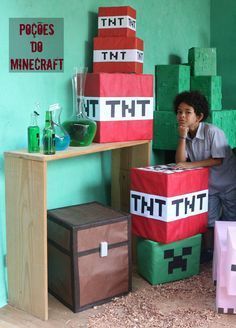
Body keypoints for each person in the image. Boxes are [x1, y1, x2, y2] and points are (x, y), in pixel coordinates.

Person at [173, 90, 236, 261]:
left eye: (188, 112)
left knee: (231, 218)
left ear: (199, 116)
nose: (182, 116)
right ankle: (208, 252)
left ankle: (229, 255)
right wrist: (181, 137)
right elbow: (180, 161)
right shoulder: (185, 134)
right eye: (179, 112)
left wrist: (188, 165)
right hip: (207, 184)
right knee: (208, 218)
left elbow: (217, 160)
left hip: (228, 182)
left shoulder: (213, 132)